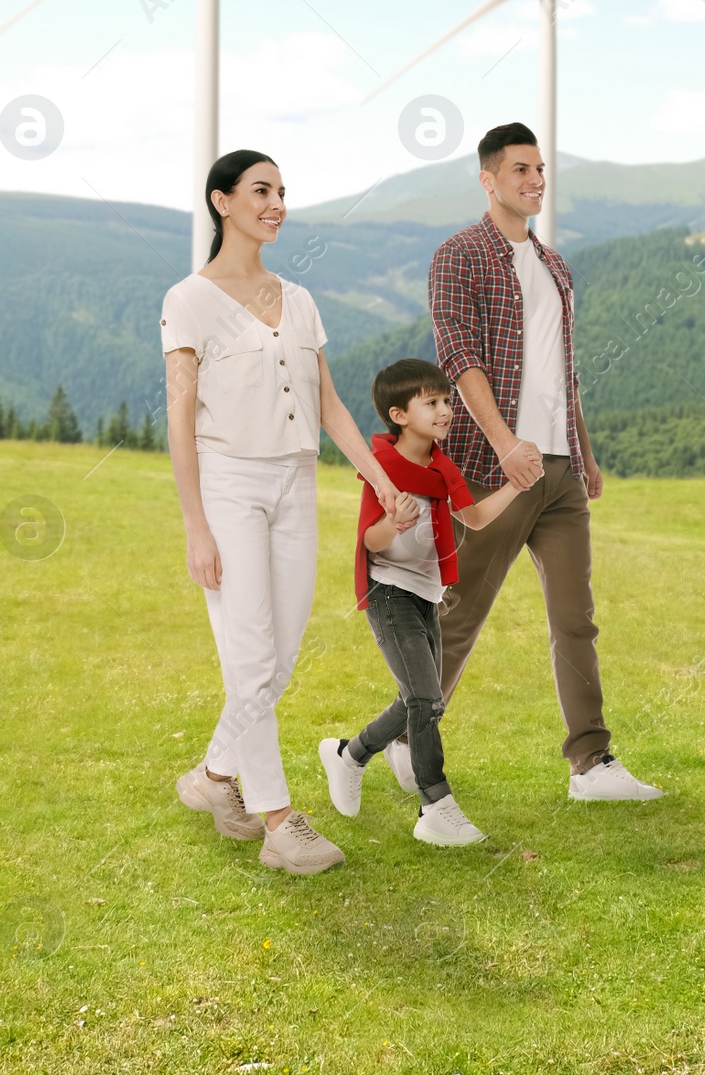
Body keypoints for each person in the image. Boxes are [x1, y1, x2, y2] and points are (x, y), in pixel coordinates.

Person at [163, 149, 413, 876]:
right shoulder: (189, 299)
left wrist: (381, 476)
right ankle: (279, 822)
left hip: (295, 485)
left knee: (279, 660)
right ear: (222, 202)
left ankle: (212, 777)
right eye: (260, 190)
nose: (276, 203)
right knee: (249, 658)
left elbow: (328, 403)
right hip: (229, 486)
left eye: (281, 191)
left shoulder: (298, 298)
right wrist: (195, 525)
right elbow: (180, 415)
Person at [410, 121, 662, 801]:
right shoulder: (458, 255)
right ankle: (408, 740)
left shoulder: (556, 266)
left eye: (541, 170)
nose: (536, 181)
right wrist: (504, 444)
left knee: (575, 617)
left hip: (560, 472)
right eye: (521, 170)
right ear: (489, 180)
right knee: (460, 615)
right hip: (498, 469)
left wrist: (585, 451)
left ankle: (591, 762)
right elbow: (459, 356)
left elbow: (563, 371)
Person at [317, 359, 521, 846]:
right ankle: (436, 805)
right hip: (390, 593)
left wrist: (518, 486)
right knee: (428, 699)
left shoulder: (443, 467)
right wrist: (397, 522)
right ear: (399, 414)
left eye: (447, 401)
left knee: (418, 697)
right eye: (431, 403)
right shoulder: (382, 468)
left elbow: (471, 518)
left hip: (429, 596)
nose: (446, 410)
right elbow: (371, 539)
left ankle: (350, 753)